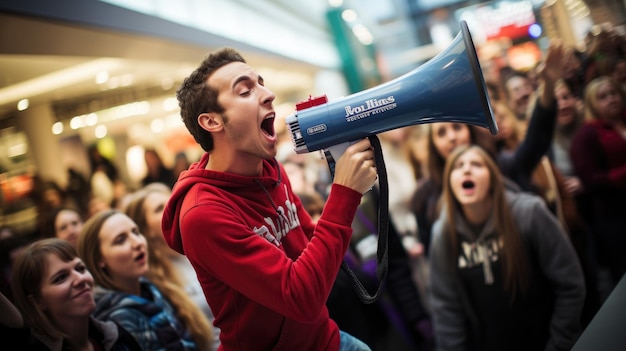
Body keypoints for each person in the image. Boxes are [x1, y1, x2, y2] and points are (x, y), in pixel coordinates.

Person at [162, 47, 377, 350]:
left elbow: (306, 239)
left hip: (324, 338)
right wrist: (344, 194)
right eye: (246, 91)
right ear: (212, 122)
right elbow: (300, 297)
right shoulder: (203, 215)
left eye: (261, 83)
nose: (268, 94)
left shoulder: (268, 167)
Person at [429, 145, 586, 351]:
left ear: (493, 177)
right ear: (449, 182)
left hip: (546, 340)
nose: (466, 170)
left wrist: (560, 344)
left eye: (476, 164)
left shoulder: (529, 212)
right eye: (458, 167)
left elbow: (570, 284)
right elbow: (446, 311)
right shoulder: (443, 234)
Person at [77, 209, 214, 351]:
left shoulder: (152, 290)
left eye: (136, 232)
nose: (137, 243)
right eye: (121, 240)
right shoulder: (113, 321)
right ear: (99, 259)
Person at [123, 182, 221, 350]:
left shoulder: (201, 249)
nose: (173, 208)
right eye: (159, 208)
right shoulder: (152, 282)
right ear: (146, 231)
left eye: (172, 201)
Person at [5, 238, 141, 350]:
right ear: (37, 301)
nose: (81, 279)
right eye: (61, 278)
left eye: (80, 268)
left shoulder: (116, 336)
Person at [570, 76, 626, 289]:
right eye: (603, 97)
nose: (611, 99)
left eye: (613, 93)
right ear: (592, 103)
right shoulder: (587, 135)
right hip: (613, 215)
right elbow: (590, 180)